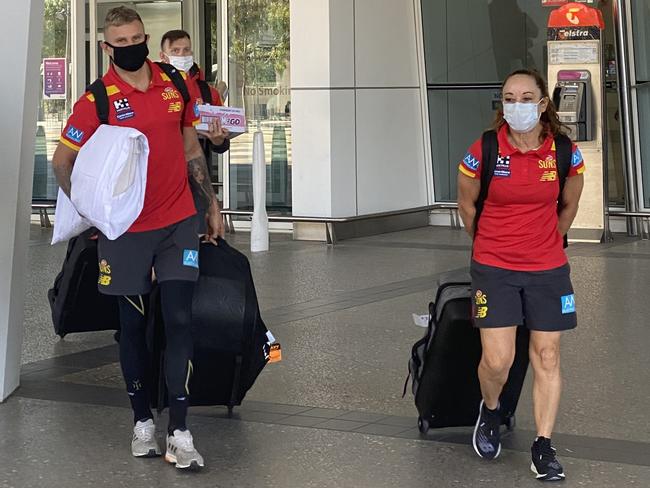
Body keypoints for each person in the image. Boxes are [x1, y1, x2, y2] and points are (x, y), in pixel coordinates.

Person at [52, 6, 227, 470]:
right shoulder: (97, 100)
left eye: (137, 39)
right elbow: (61, 162)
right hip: (126, 233)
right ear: (107, 47)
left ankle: (181, 432)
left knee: (180, 321)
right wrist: (95, 214)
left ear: (146, 38)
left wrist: (208, 202)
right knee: (131, 326)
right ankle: (141, 422)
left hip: (177, 222)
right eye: (121, 43)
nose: (131, 48)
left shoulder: (174, 83)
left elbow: (191, 145)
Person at [457, 69, 585, 482]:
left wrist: (545, 241)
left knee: (547, 356)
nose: (518, 106)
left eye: (526, 98)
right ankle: (491, 410)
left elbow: (568, 207)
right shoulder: (485, 149)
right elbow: (467, 207)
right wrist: (493, 245)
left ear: (543, 104)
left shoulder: (565, 152)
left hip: (548, 268)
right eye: (509, 98)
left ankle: (543, 446)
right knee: (498, 361)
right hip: (494, 266)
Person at [159, 29, 229, 234]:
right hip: (159, 184)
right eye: (175, 51)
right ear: (163, 56)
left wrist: (218, 140)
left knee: (195, 246)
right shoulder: (153, 89)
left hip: (196, 185)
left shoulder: (208, 92)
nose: (182, 55)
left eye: (186, 50)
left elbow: (222, 144)